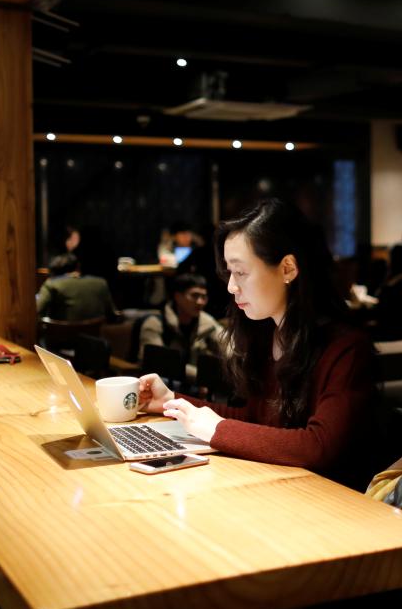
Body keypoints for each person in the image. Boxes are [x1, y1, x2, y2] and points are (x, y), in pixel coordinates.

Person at [136, 199, 378, 487]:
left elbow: (319, 447)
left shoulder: (347, 349)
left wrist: (219, 430)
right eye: (229, 273)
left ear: (288, 268)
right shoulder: (266, 334)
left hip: (333, 506)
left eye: (240, 272)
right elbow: (253, 420)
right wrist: (172, 403)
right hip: (282, 489)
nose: (231, 286)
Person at [138, 272, 224, 370]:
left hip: (195, 382)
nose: (200, 302)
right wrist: (199, 376)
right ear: (178, 296)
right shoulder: (156, 323)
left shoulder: (207, 322)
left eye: (204, 297)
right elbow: (157, 364)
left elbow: (229, 347)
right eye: (194, 295)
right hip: (162, 380)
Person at [35, 253, 117, 321]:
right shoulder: (101, 283)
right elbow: (112, 315)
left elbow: (36, 312)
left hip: (60, 338)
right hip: (95, 338)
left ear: (53, 272)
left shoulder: (51, 284)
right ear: (78, 267)